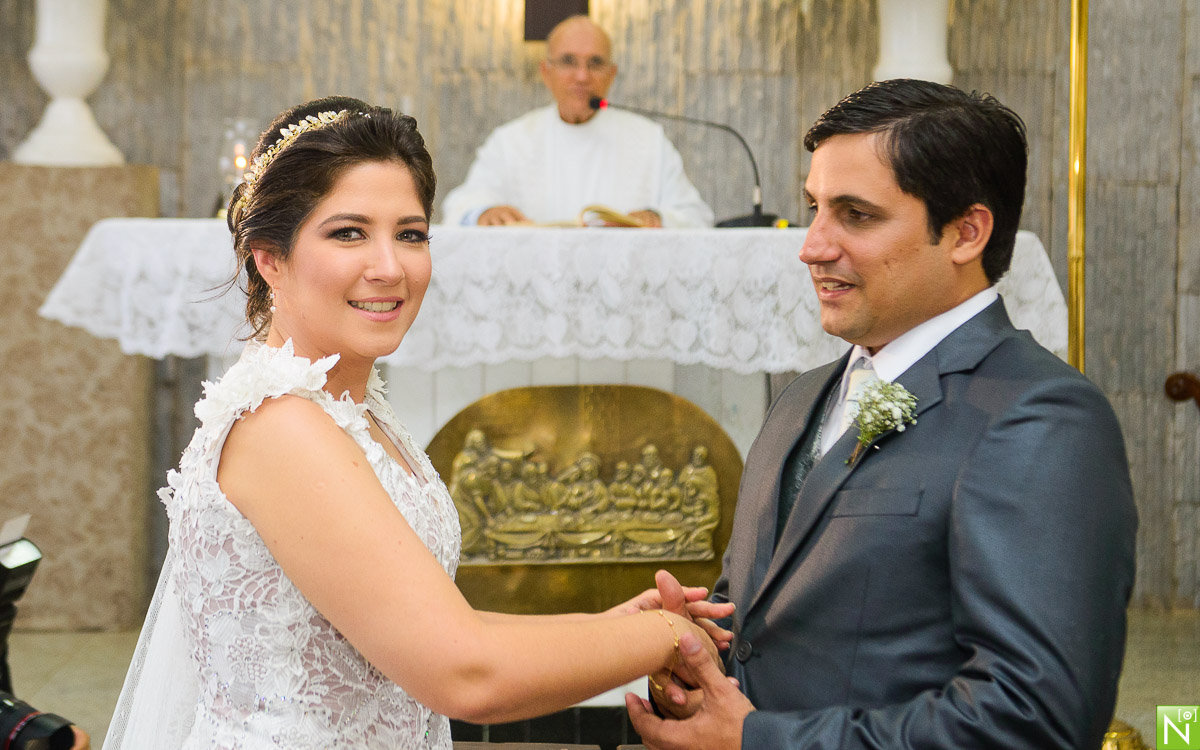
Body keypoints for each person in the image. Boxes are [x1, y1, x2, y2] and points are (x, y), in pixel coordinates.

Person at [103, 96, 732, 749]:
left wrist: (612, 626)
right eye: (348, 232)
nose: (390, 267)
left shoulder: (351, 408)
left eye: (410, 233)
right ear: (270, 258)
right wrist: (661, 639)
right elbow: (464, 674)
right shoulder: (281, 426)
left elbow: (423, 624)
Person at [627, 79, 1138, 749]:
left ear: (965, 232)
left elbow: (1035, 718)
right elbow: (759, 627)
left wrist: (761, 740)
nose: (811, 245)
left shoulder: (1040, 419)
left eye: (855, 214)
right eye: (812, 207)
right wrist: (700, 662)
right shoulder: (800, 399)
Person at [440, 15, 713, 228]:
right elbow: (459, 208)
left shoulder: (649, 139)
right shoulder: (511, 141)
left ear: (611, 74)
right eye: (569, 61)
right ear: (546, 72)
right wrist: (485, 212)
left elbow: (696, 215)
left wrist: (656, 218)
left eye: (595, 63)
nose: (582, 76)